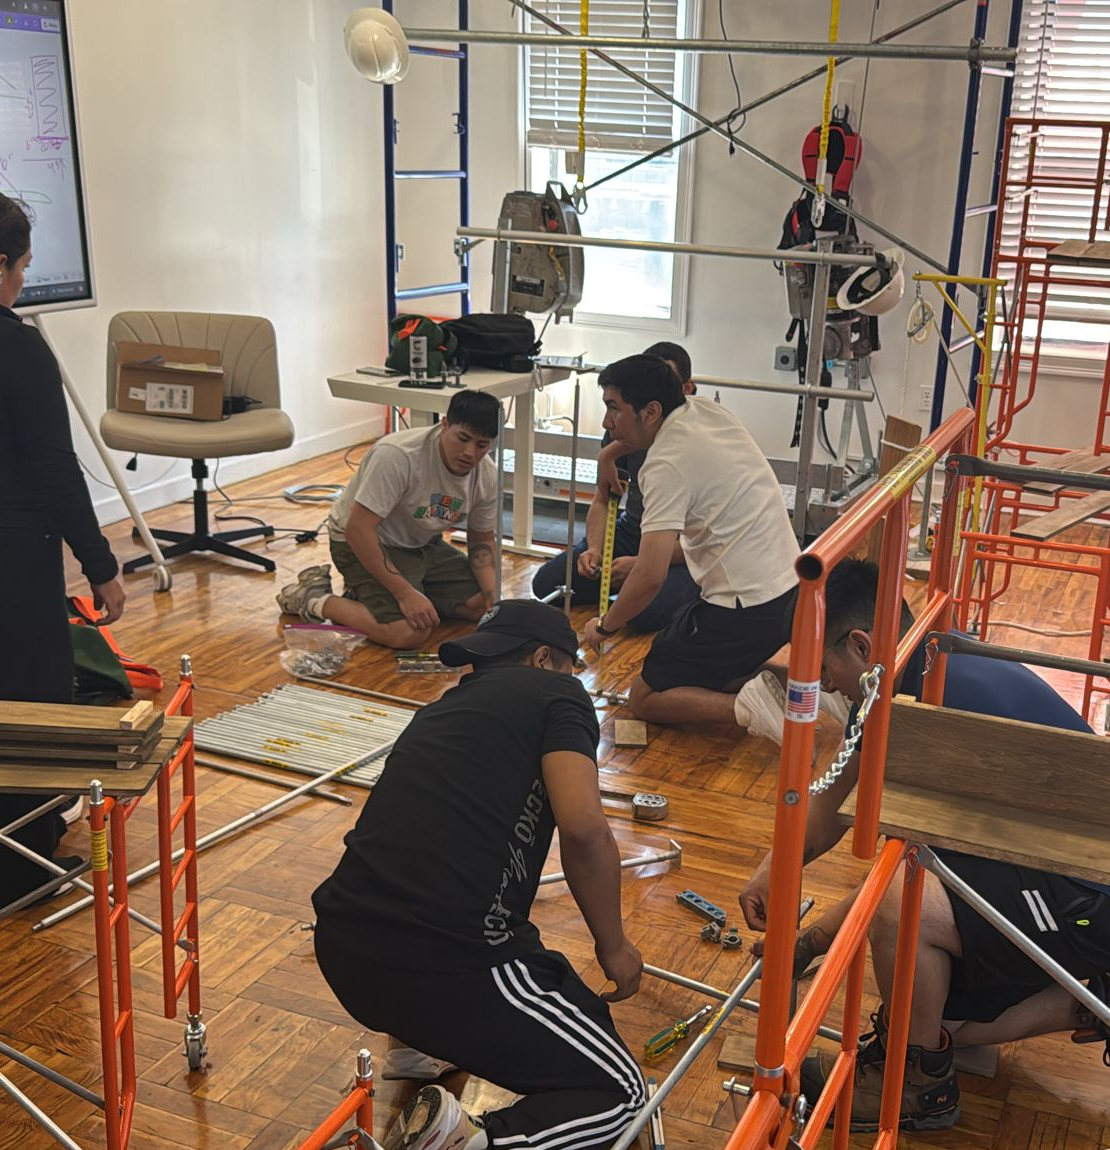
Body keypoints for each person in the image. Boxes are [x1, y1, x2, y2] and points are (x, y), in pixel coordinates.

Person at [738, 558, 1110, 1131]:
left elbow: (900, 881)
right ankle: (1092, 1002)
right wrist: (776, 875)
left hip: (1087, 893)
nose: (825, 685)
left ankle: (917, 1085)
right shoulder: (926, 662)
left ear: (860, 645)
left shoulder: (923, 711)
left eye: (823, 668)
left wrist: (812, 938)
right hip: (1058, 875)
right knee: (931, 1016)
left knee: (902, 909)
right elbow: (837, 802)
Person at [312, 599, 644, 1150]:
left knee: (424, 882)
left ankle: (416, 1051)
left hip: (345, 950)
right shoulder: (559, 693)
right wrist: (613, 946)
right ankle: (471, 1143)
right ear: (545, 659)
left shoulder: (438, 711)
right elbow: (584, 829)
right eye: (568, 667)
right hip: (449, 967)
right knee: (624, 1096)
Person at [0, 193, 126, 906]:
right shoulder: (18, 350)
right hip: (13, 561)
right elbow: (54, 467)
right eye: (21, 267)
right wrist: (101, 566)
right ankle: (22, 869)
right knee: (32, 709)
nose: (24, 281)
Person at [580, 354, 801, 730]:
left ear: (651, 411)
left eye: (613, 408)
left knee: (645, 698)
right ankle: (813, 689)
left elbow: (650, 577)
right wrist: (609, 454)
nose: (606, 422)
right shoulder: (705, 411)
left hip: (743, 609)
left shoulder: (664, 465)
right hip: (788, 592)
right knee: (708, 673)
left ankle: (755, 711)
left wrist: (604, 626)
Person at [278, 389, 501, 651]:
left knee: (481, 607)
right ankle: (314, 598)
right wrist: (404, 594)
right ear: (444, 424)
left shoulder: (487, 475)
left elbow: (481, 540)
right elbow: (358, 531)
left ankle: (378, 596)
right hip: (361, 542)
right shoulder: (398, 456)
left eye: (481, 445)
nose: (469, 453)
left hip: (421, 543)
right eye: (462, 438)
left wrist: (493, 597)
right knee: (408, 633)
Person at [531, 342, 699, 632]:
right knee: (548, 584)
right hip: (635, 532)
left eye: (665, 382)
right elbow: (603, 499)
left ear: (687, 389)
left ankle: (672, 590)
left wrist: (642, 565)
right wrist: (595, 549)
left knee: (642, 614)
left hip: (685, 549)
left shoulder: (693, 444)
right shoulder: (626, 426)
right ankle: (628, 582)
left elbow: (708, 542)